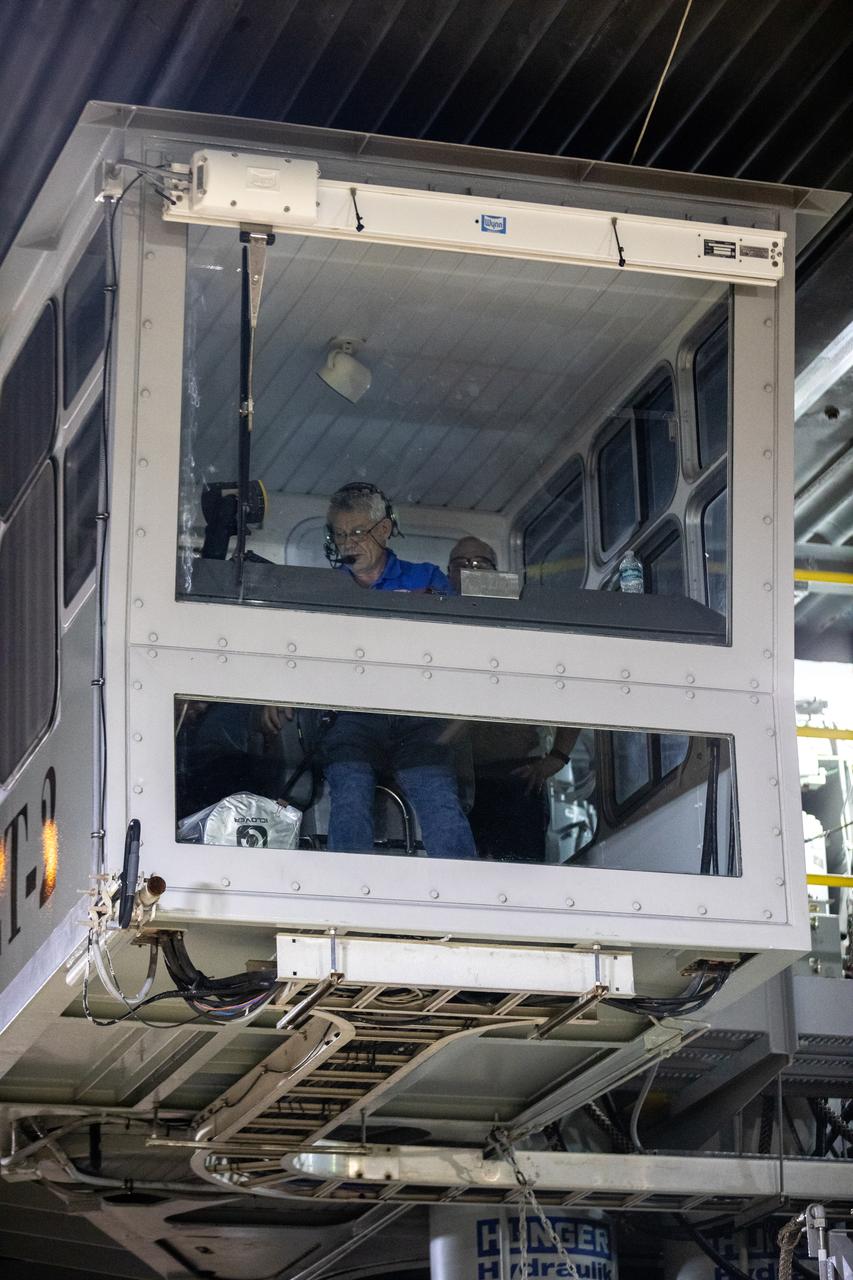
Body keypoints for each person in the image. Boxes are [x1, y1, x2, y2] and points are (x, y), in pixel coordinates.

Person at [265, 484, 476, 860]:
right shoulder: (323, 590)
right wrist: (278, 691)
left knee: (437, 794)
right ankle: (347, 899)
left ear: (384, 530)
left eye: (357, 532)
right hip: (351, 716)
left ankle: (467, 901)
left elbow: (458, 645)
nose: (347, 543)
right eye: (339, 534)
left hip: (418, 716)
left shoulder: (426, 579)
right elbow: (297, 651)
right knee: (350, 787)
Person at [446, 537, 579, 861]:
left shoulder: (521, 631)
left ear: (495, 574)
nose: (470, 571)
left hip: (514, 776)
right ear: (447, 573)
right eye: (462, 564)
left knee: (523, 877)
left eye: (480, 564)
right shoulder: (438, 626)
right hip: (449, 777)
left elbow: (571, 690)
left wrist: (558, 757)